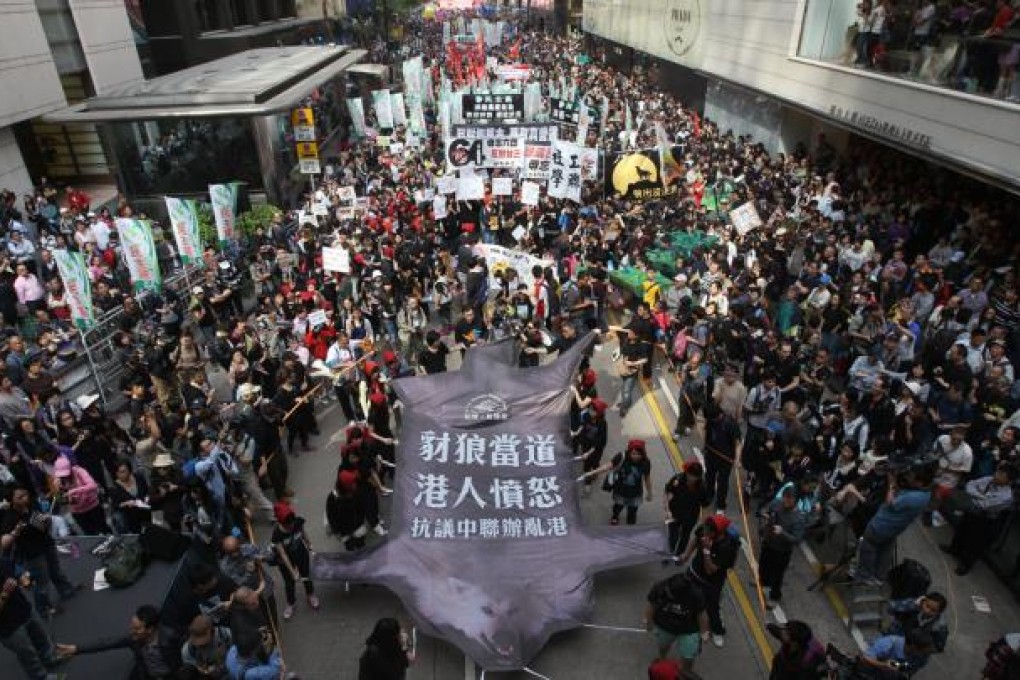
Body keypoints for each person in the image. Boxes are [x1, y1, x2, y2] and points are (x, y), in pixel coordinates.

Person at [851, 466, 932, 586]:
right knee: (884, 551)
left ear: (920, 482)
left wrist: (891, 484)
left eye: (911, 477)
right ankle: (879, 577)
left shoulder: (913, 497)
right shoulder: (926, 494)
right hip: (894, 529)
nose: (908, 478)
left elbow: (891, 503)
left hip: (881, 526)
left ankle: (864, 576)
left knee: (868, 549)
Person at [0, 551, 73, 680]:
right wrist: (4, 595)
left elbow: (15, 569)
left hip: (25, 610)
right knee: (28, 655)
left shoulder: (2, 561)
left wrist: (23, 577)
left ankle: (50, 658)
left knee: (42, 639)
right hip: (8, 627)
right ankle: (41, 677)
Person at [65, 604, 183, 679]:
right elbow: (106, 643)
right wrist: (77, 649)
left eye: (137, 628)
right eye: (132, 627)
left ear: (150, 629)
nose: (132, 631)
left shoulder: (171, 637)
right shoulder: (133, 639)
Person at [681, 515, 739, 648]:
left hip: (711, 583)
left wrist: (706, 550)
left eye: (708, 531)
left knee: (712, 608)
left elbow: (710, 570)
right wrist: (686, 554)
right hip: (694, 573)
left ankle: (717, 630)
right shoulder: (705, 529)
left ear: (717, 533)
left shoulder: (727, 548)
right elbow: (696, 539)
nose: (704, 533)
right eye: (705, 529)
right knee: (688, 597)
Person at [759, 483, 817, 606]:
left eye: (790, 499)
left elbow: (796, 539)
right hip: (768, 542)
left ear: (795, 501)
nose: (786, 501)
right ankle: (763, 583)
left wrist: (783, 533)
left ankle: (774, 597)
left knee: (777, 575)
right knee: (763, 566)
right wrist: (765, 515)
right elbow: (765, 509)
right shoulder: (777, 503)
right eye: (785, 497)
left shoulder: (798, 517)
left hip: (781, 551)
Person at [644, 572, 708, 674]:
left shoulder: (696, 594)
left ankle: (686, 671)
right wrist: (648, 620)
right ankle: (662, 659)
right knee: (663, 645)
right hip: (665, 625)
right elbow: (651, 603)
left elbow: (702, 614)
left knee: (688, 656)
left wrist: (704, 632)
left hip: (688, 629)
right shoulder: (660, 586)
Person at [586, 439, 653, 525]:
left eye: (638, 454)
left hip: (636, 493)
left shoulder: (646, 462)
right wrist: (593, 472)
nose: (635, 456)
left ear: (643, 454)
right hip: (620, 491)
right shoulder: (622, 457)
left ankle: (630, 522)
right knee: (618, 506)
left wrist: (649, 492)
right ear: (629, 452)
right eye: (633, 454)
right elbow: (607, 466)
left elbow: (647, 478)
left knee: (633, 511)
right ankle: (615, 516)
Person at [271, 501, 318, 620]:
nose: (291, 526)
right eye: (288, 525)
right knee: (289, 582)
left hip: (301, 553)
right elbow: (282, 554)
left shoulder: (297, 522)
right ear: (280, 522)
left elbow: (303, 533)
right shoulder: (277, 534)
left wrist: (309, 544)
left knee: (306, 575)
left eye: (292, 523)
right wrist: (292, 572)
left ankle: (310, 594)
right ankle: (291, 603)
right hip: (286, 560)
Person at [663, 460, 709, 564]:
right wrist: (667, 510)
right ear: (686, 473)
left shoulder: (702, 487)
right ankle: (668, 554)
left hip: (691, 516)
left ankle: (679, 556)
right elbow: (667, 492)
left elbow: (704, 505)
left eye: (695, 476)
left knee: (685, 536)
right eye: (690, 475)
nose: (692, 478)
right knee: (673, 536)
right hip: (674, 513)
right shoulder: (677, 480)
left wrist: (704, 522)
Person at [702, 401, 742, 512]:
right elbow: (707, 430)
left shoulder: (730, 424)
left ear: (719, 414)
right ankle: (709, 495)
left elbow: (738, 444)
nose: (711, 421)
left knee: (722, 482)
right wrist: (705, 446)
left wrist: (737, 460)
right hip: (711, 454)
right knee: (709, 477)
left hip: (725, 459)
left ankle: (720, 505)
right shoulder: (711, 419)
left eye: (713, 419)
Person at [179, 614, 232, 680]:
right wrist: (199, 668)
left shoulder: (226, 635)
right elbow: (190, 667)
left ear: (209, 631)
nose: (198, 645)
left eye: (202, 643)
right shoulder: (188, 650)